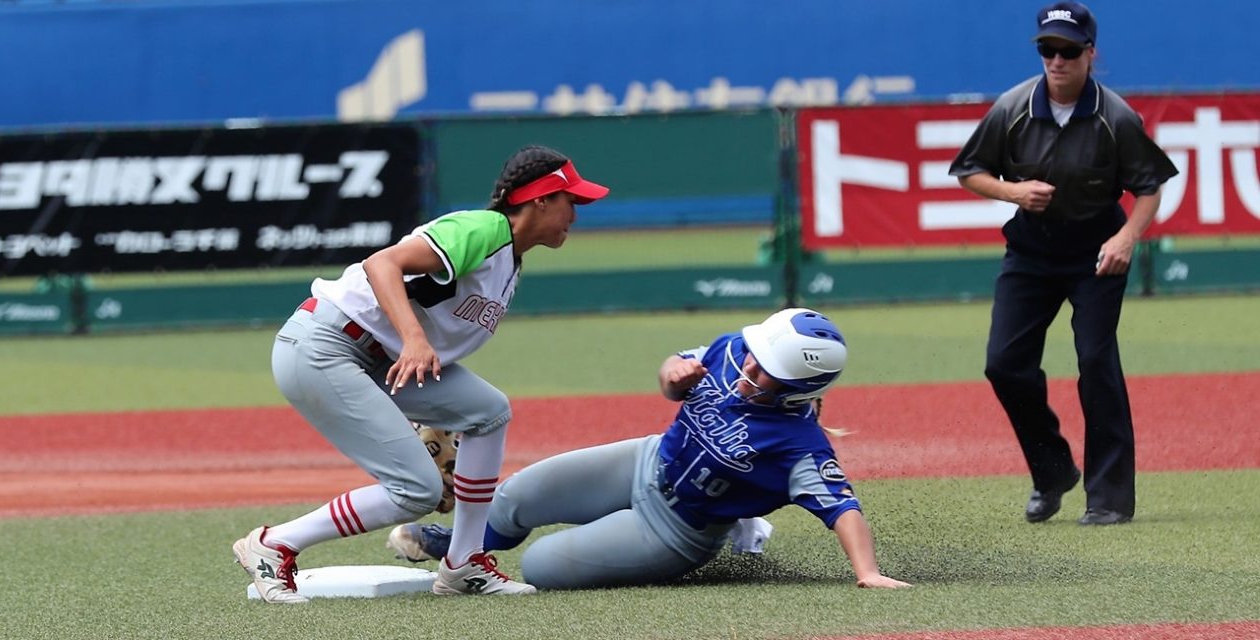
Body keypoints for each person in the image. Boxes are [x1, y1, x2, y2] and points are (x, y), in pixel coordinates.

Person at [232, 145, 609, 603]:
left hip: (378, 359)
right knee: (416, 490)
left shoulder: (509, 261)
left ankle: (464, 561)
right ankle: (274, 545)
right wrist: (413, 339)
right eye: (572, 200)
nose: (576, 213)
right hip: (325, 345)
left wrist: (429, 404)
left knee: (487, 412)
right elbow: (381, 264)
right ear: (540, 199)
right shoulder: (482, 229)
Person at [390, 308, 911, 591]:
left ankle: (734, 524)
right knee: (514, 498)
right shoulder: (734, 348)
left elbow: (843, 509)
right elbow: (671, 378)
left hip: (676, 530)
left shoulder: (801, 446)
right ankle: (459, 550)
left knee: (543, 568)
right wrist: (672, 375)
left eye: (767, 371)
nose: (750, 365)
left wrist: (866, 573)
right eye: (755, 354)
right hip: (647, 459)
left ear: (798, 389)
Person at [948, 2, 1178, 526]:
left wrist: (1126, 238)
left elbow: (1149, 186)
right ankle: (1052, 471)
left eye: (1069, 51)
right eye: (1048, 49)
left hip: (1096, 250)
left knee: (1096, 362)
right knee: (1004, 363)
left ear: (1090, 54)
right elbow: (969, 171)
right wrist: (1013, 192)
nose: (1057, 60)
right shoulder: (1013, 107)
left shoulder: (1116, 117)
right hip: (1031, 249)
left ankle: (1109, 497)